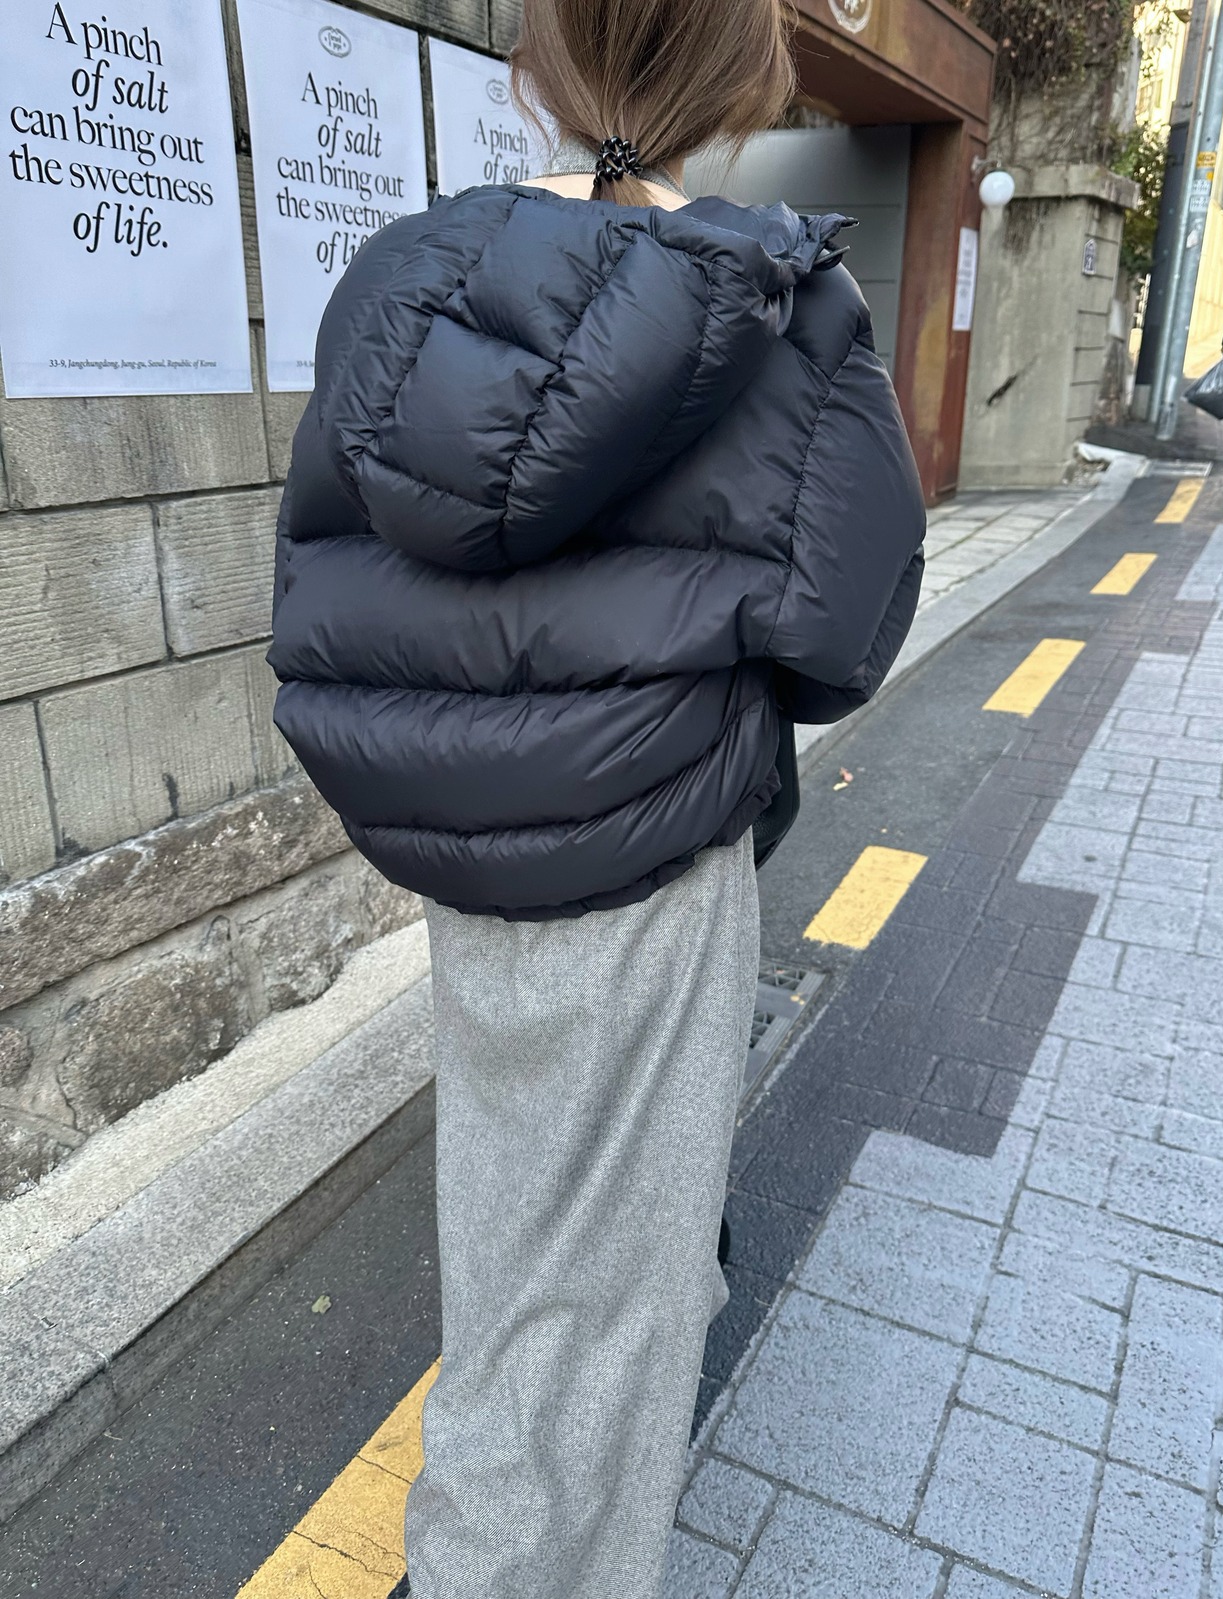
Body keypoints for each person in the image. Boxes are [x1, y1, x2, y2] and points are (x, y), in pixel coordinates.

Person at [268, 0, 925, 1593]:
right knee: (595, 1328)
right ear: (746, 82)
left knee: (519, 1231)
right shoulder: (785, 307)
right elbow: (846, 630)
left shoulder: (404, 281)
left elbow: (325, 566)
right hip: (654, 853)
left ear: (538, 68)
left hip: (467, 859)